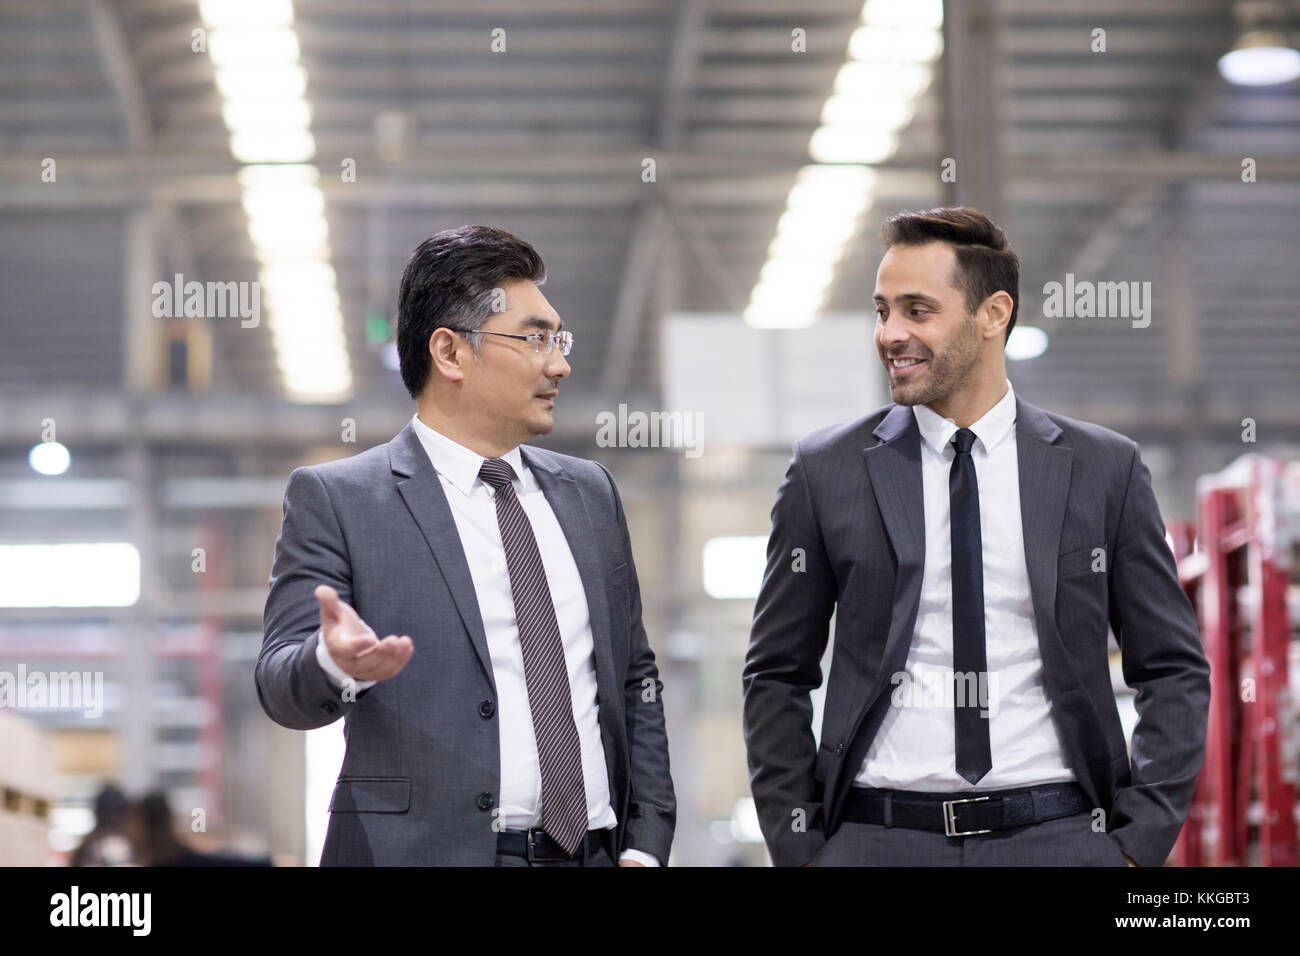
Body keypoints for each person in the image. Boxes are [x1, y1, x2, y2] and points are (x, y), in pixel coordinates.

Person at [742, 207, 1209, 867]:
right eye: (881, 311)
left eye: (916, 310)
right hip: (879, 839)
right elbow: (776, 672)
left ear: (993, 315)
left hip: (1061, 836)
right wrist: (803, 849)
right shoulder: (827, 472)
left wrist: (1137, 844)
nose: (890, 334)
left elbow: (1171, 666)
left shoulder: (1104, 468)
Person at [257, 224, 675, 866]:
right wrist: (334, 663)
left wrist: (645, 844)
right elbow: (279, 685)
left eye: (559, 339)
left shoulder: (590, 494)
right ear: (450, 353)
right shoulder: (340, 499)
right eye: (535, 338)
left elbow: (632, 676)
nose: (559, 362)